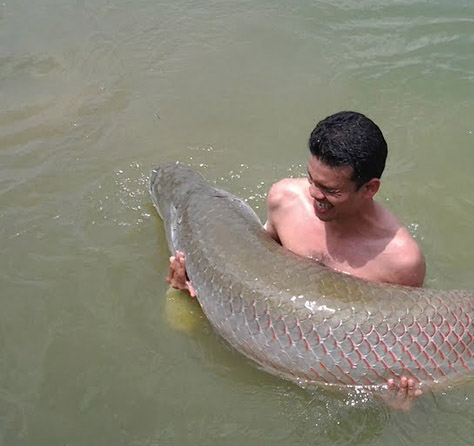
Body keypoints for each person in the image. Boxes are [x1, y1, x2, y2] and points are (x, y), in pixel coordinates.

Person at [166, 111, 426, 407]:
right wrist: (185, 285)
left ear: (370, 188)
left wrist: (394, 400)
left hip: (336, 380)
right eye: (311, 179)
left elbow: (405, 345)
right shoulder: (285, 201)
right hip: (272, 361)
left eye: (331, 190)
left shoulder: (401, 260)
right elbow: (254, 263)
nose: (315, 195)